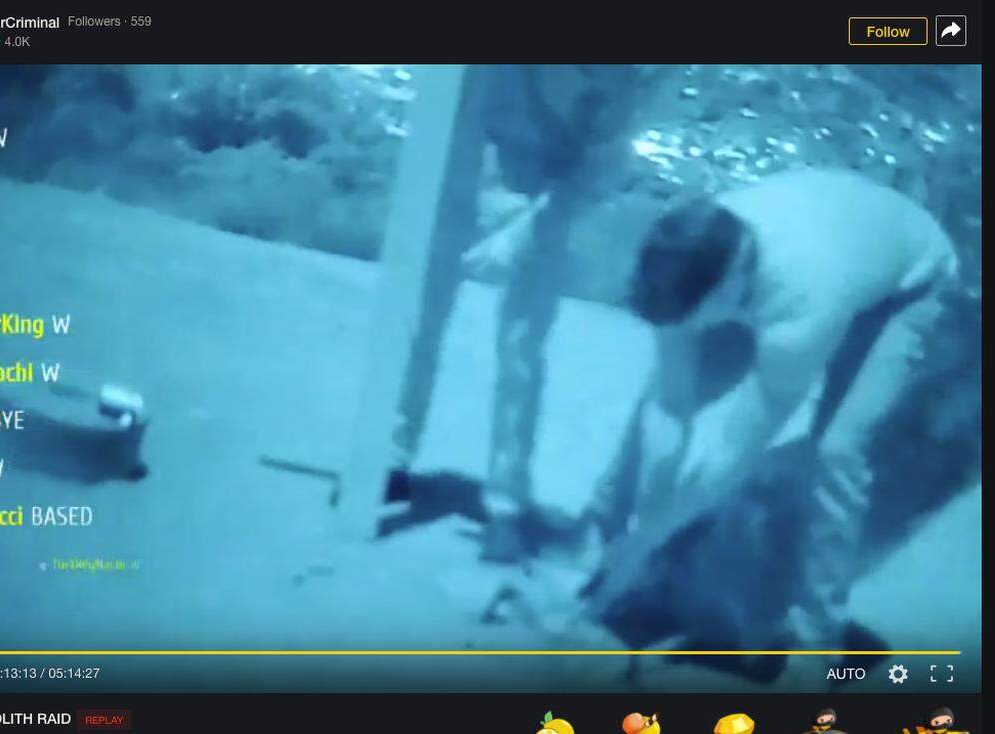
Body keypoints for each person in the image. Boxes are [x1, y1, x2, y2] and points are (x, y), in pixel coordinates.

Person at [582, 169, 959, 657]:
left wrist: (649, 541)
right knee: (660, 395)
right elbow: (669, 406)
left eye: (693, 319)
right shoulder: (686, 254)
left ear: (728, 287)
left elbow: (732, 454)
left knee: (835, 451)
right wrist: (643, 521)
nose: (684, 330)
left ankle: (816, 641)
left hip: (907, 282)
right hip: (821, 241)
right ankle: (600, 532)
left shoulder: (801, 313)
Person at [389, 65, 636, 561]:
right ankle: (390, 456)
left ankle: (505, 504)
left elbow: (597, 170)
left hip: (538, 197)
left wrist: (524, 230)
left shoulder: (619, 72)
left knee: (521, 356)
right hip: (455, 163)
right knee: (415, 322)